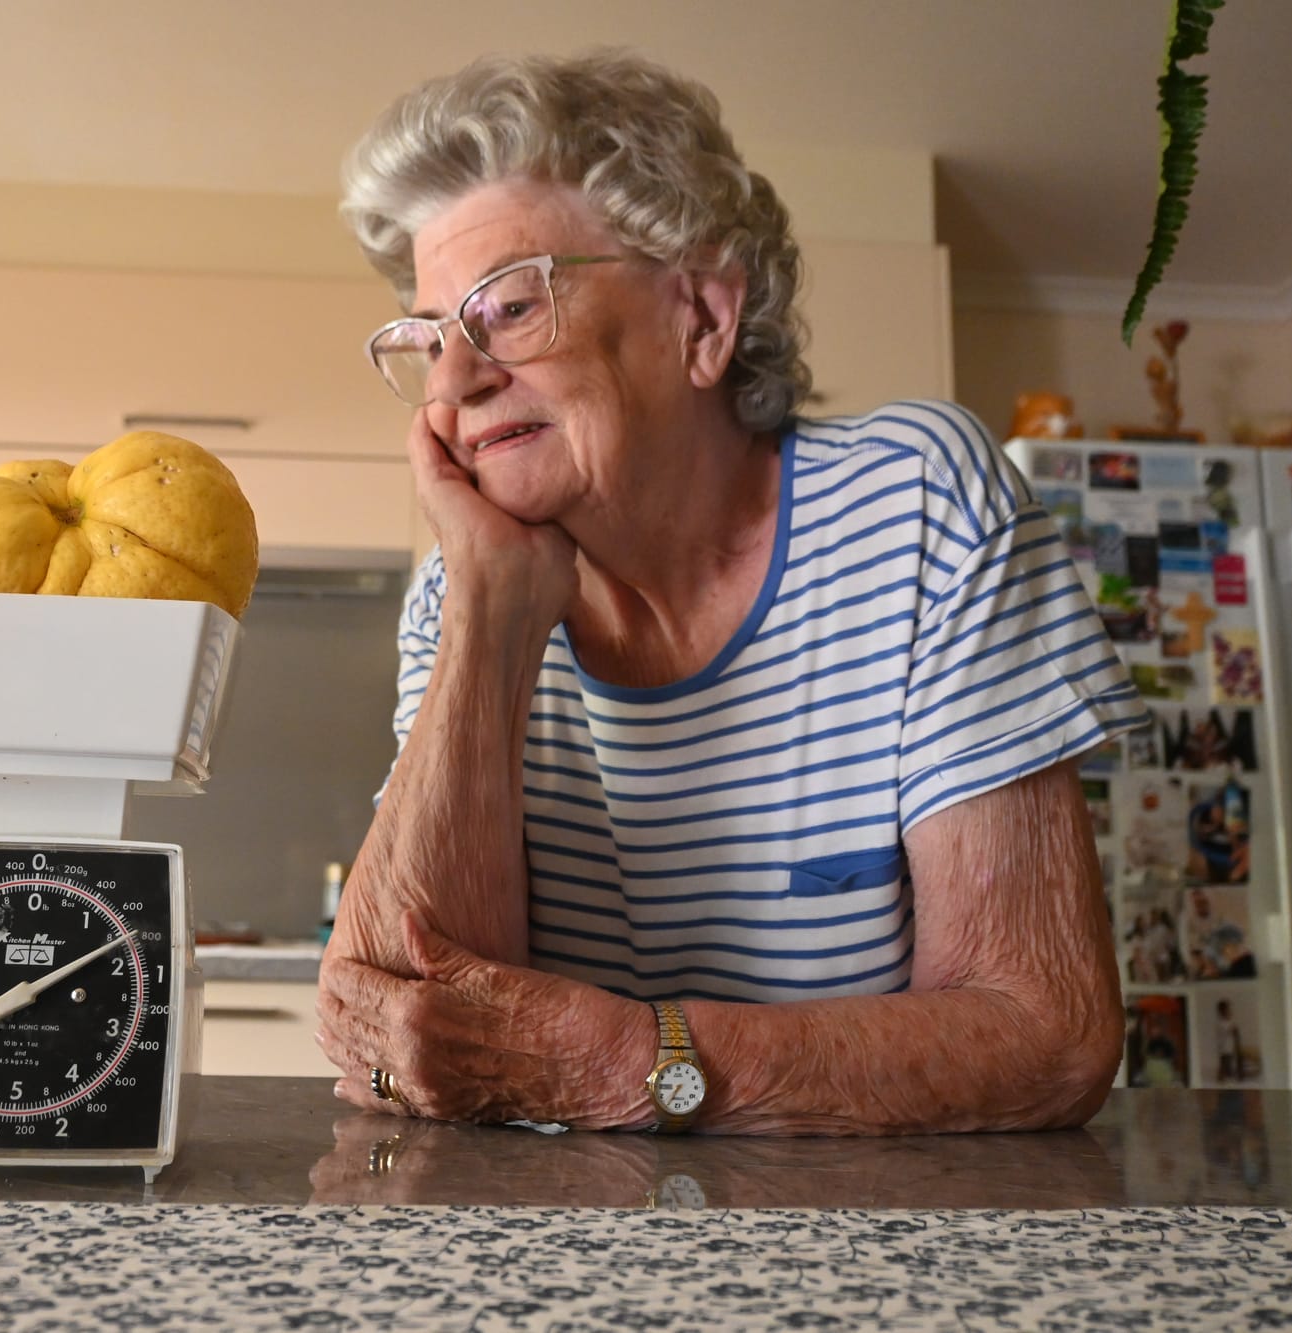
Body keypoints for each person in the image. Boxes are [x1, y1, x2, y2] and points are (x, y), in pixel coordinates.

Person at [314, 52, 1148, 1135]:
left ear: (700, 317)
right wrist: (486, 619)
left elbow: (1043, 1033)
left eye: (507, 308)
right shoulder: (464, 588)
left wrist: (631, 1060)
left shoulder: (915, 503)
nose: (453, 381)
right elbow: (390, 1035)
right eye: (427, 339)